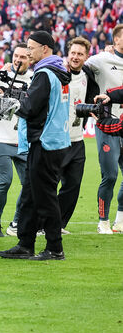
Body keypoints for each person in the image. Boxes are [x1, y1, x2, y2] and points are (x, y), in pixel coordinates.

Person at [0, 31, 72, 262]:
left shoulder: (44, 73)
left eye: (31, 48)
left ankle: (55, 248)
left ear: (45, 49)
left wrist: (10, 100)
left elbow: (30, 108)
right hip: (54, 140)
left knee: (44, 196)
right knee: (30, 195)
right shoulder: (58, 72)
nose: (28, 52)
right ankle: (25, 243)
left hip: (45, 142)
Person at [0, 43, 31, 237]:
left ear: (30, 59)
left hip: (23, 141)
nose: (18, 60)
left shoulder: (34, 79)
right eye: (16, 56)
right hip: (1, 139)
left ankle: (16, 222)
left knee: (29, 184)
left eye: (23, 57)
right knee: (5, 182)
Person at [84, 24, 123, 233]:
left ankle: (120, 220)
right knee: (110, 175)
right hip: (107, 123)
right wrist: (91, 101)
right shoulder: (102, 59)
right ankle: (103, 221)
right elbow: (79, 68)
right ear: (115, 40)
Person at [59, 37, 97, 230]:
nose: (75, 57)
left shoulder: (88, 75)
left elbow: (94, 94)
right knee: (47, 185)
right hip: (57, 140)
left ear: (86, 57)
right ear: (67, 54)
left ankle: (58, 224)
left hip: (77, 139)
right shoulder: (57, 73)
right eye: (73, 53)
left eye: (80, 54)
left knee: (73, 186)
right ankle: (39, 223)